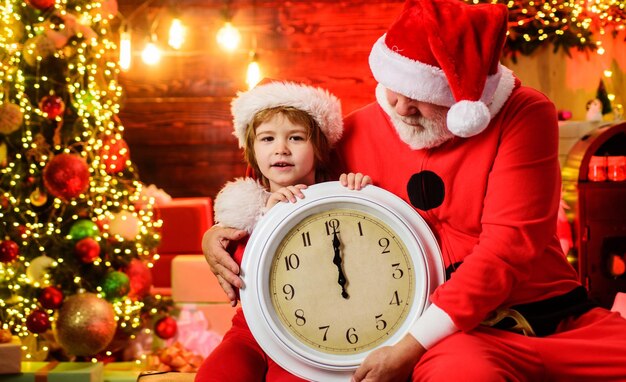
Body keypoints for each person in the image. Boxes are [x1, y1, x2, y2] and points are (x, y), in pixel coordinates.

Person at [201, 0, 626, 380]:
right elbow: (293, 195)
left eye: (420, 96)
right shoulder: (358, 128)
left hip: (555, 319)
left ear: (467, 102)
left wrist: (408, 347)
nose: (400, 108)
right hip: (459, 338)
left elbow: (510, 246)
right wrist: (217, 234)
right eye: (393, 89)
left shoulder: (523, 114)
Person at [195, 79, 371, 381]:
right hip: (250, 331)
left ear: (318, 147)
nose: (281, 149)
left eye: (296, 138)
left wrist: (359, 194)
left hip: (311, 332)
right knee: (217, 374)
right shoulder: (244, 212)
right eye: (267, 139)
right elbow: (239, 276)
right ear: (251, 148)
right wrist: (266, 219)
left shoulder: (337, 198)